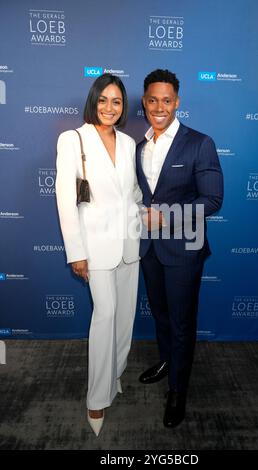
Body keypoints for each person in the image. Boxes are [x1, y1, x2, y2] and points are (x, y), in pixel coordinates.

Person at [136, 69, 223, 427]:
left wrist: (166, 218)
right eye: (153, 100)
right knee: (161, 315)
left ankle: (178, 390)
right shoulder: (140, 146)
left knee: (183, 322)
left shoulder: (199, 143)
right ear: (144, 102)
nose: (160, 107)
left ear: (177, 102)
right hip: (150, 250)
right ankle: (167, 360)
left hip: (184, 249)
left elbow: (213, 200)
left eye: (167, 100)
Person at [55, 74, 141, 436]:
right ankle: (96, 398)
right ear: (94, 101)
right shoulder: (73, 139)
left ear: (123, 107)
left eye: (117, 101)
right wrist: (77, 251)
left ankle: (115, 376)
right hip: (95, 247)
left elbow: (132, 191)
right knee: (105, 316)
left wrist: (146, 214)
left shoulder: (128, 142)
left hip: (129, 243)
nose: (109, 108)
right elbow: (65, 199)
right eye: (103, 100)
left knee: (124, 319)